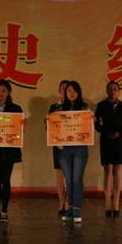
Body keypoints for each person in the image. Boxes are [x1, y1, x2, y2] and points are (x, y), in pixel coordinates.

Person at [95, 81, 122, 218]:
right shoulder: (101, 105)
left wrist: (120, 133)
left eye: (115, 89)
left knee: (117, 171)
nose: (112, 91)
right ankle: (107, 204)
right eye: (110, 89)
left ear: (119, 91)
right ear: (107, 91)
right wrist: (106, 133)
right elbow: (96, 124)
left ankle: (116, 205)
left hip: (119, 141)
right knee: (108, 171)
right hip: (106, 140)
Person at [0, 80, 23, 223]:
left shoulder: (16, 109)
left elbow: (18, 130)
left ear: (8, 92)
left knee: (6, 180)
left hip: (9, 149)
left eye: (4, 91)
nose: (1, 93)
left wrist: (22, 125)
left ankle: (4, 211)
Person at [55, 81, 90, 224]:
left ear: (78, 92)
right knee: (68, 180)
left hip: (80, 148)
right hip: (64, 149)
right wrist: (48, 123)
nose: (71, 93)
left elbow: (89, 127)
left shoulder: (84, 108)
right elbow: (53, 128)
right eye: (69, 90)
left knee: (76, 179)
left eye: (74, 90)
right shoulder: (58, 109)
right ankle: (70, 207)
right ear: (65, 92)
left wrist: (92, 120)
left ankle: (77, 209)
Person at [47, 80, 69, 216]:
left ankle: (69, 203)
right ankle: (61, 203)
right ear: (59, 91)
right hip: (58, 145)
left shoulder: (77, 106)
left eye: (68, 89)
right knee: (60, 174)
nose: (65, 91)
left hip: (73, 145)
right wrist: (47, 123)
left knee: (71, 175)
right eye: (62, 89)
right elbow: (50, 127)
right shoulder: (54, 107)